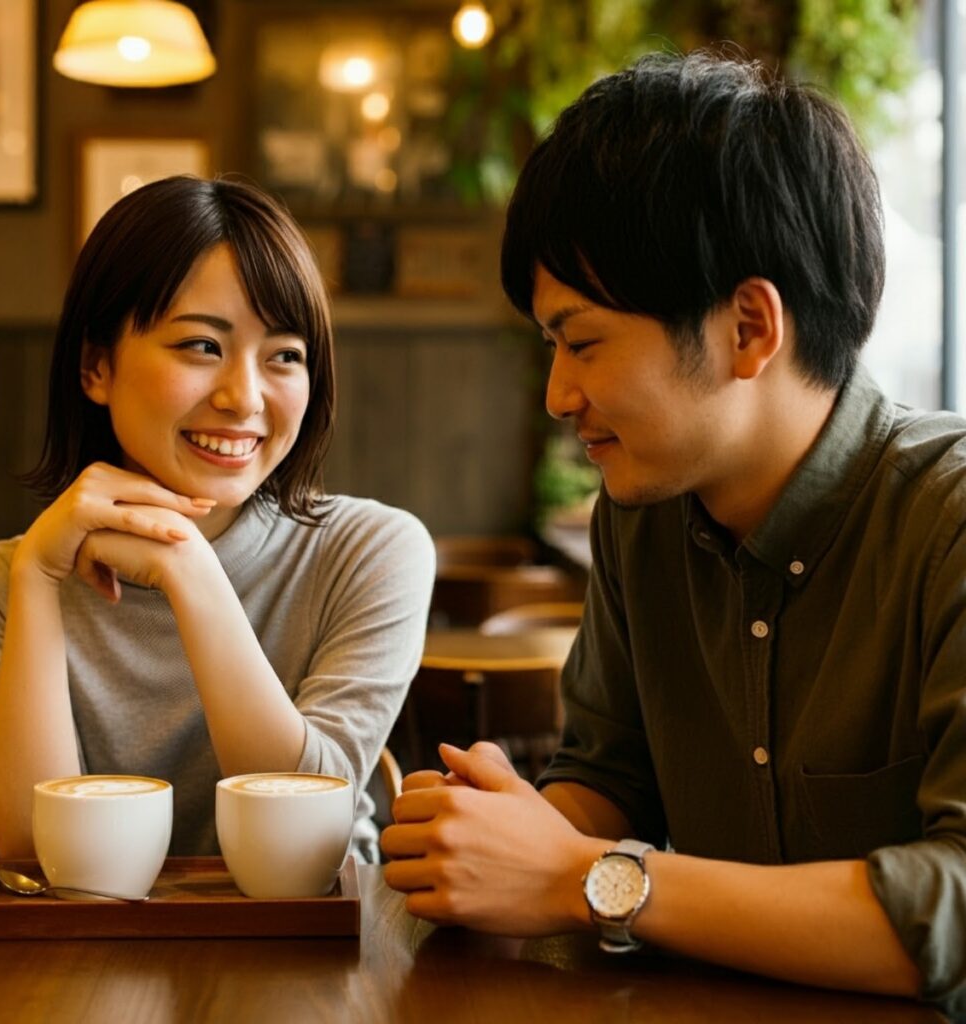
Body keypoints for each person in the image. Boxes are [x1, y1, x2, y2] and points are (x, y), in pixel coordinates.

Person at [382, 51, 966, 1014]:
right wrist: (500, 838)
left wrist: (584, 877)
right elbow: (608, 778)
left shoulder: (945, 522)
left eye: (584, 341)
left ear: (748, 327)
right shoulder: (640, 518)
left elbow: (953, 906)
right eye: (550, 347)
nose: (560, 396)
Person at [0, 175, 434, 862]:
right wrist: (37, 580)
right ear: (95, 366)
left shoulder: (371, 551)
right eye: (202, 346)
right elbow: (30, 849)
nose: (245, 397)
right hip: (78, 964)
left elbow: (303, 834)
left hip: (314, 956)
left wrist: (187, 569)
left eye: (285, 356)